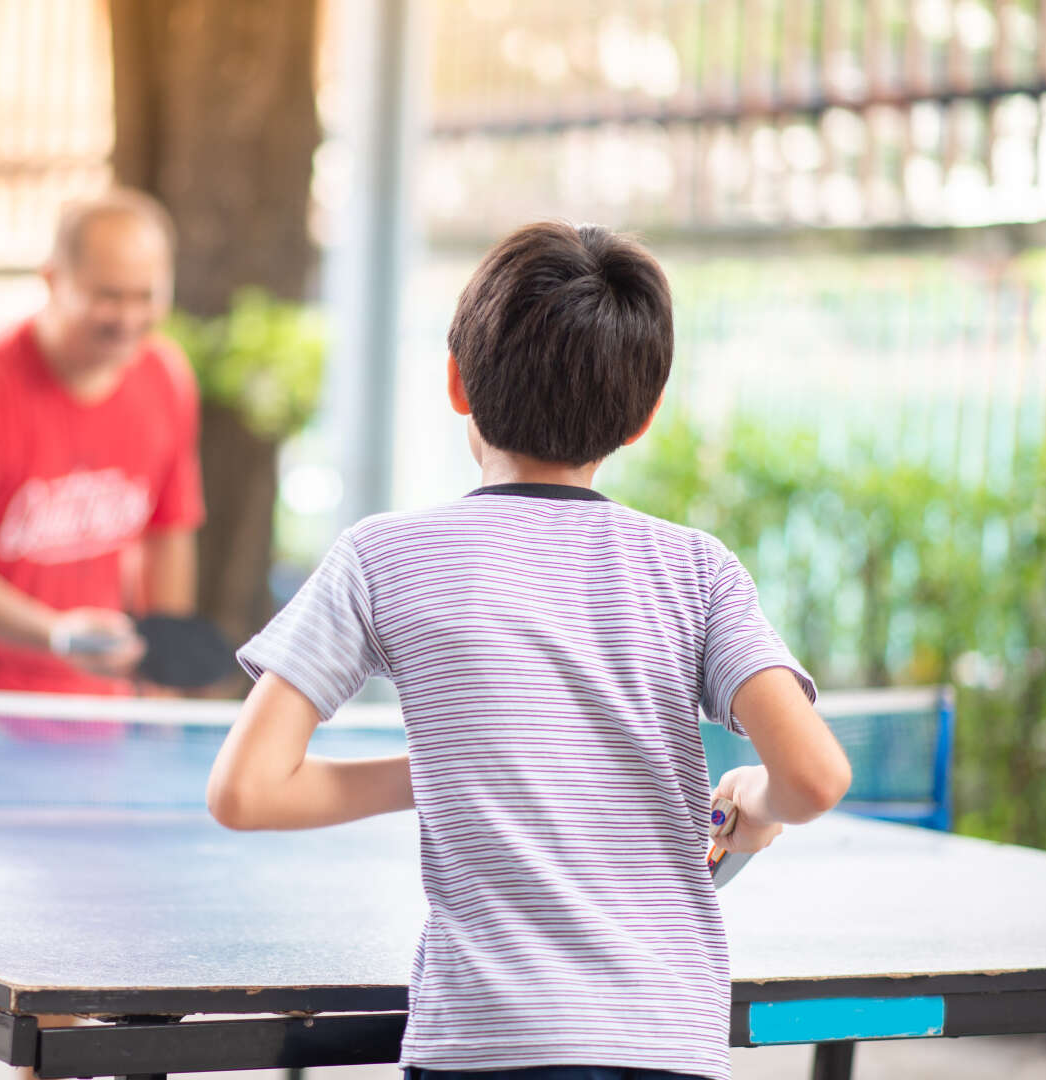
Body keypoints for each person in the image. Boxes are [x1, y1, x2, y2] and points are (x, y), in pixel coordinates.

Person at [207, 222, 851, 1080]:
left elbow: (247, 792)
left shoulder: (382, 557)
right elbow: (816, 778)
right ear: (645, 416)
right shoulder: (697, 569)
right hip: (667, 1040)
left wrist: (445, 764)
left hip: (485, 1039)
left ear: (456, 382)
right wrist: (754, 804)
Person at [0, 189, 204, 1080]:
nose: (127, 318)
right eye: (107, 296)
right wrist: (55, 633)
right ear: (53, 280)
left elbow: (170, 537)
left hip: (82, 704)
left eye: (145, 296)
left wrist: (162, 691)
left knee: (62, 947)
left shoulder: (166, 380)